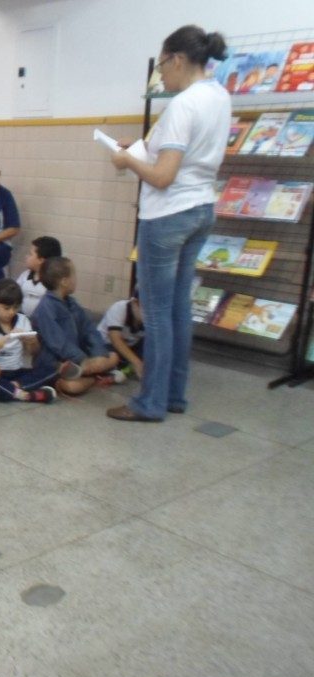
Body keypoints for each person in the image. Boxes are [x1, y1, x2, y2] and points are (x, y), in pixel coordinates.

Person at [108, 25, 230, 421]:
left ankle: (150, 402)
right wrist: (138, 149)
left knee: (157, 313)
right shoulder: (219, 96)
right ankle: (174, 394)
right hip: (201, 210)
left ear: (178, 59)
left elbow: (162, 177)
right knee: (178, 308)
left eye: (163, 65)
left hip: (168, 215)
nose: (163, 74)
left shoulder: (183, 104)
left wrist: (128, 161)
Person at [31, 257, 121, 396]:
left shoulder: (72, 303)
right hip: (54, 362)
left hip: (78, 359)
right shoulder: (45, 308)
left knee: (113, 356)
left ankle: (88, 371)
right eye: (74, 275)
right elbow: (58, 343)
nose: (76, 279)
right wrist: (82, 360)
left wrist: (99, 353)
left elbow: (89, 330)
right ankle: (92, 376)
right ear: (64, 281)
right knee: (72, 387)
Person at [0, 279, 56, 403]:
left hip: (17, 373)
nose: (12, 312)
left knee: (50, 369)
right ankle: (27, 395)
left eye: (15, 308)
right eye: (6, 308)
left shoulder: (23, 320)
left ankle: (9, 389)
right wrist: (7, 337)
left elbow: (34, 352)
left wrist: (32, 341)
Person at [97, 291, 145, 379]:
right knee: (111, 358)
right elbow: (115, 340)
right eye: (145, 308)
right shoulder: (119, 308)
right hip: (107, 344)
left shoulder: (150, 319)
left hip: (131, 345)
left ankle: (126, 364)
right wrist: (137, 362)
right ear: (134, 303)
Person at [16, 236, 61, 318]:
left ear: (41, 260)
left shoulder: (54, 281)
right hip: (23, 320)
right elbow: (14, 295)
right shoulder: (25, 276)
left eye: (30, 254)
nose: (26, 256)